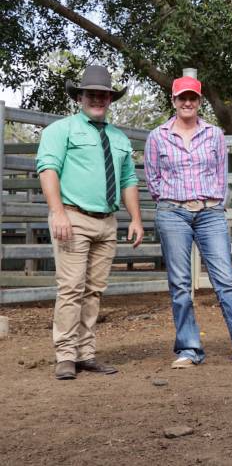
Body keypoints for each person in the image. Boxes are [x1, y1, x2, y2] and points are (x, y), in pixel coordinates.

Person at [144, 75, 232, 369]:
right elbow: (153, 180)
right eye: (181, 97)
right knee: (180, 283)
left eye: (193, 98)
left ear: (200, 102)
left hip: (209, 212)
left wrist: (213, 203)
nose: (187, 102)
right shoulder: (157, 136)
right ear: (173, 101)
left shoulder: (214, 134)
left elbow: (220, 175)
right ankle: (189, 349)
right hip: (172, 212)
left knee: (225, 280)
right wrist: (170, 200)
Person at [36, 65, 144, 380]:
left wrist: (135, 218)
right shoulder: (62, 130)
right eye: (92, 94)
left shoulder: (119, 138)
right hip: (73, 217)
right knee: (71, 288)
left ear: (110, 99)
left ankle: (86, 353)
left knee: (94, 290)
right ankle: (66, 355)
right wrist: (57, 212)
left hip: (106, 221)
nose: (98, 99)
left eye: (104, 95)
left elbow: (128, 179)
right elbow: (48, 168)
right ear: (80, 96)